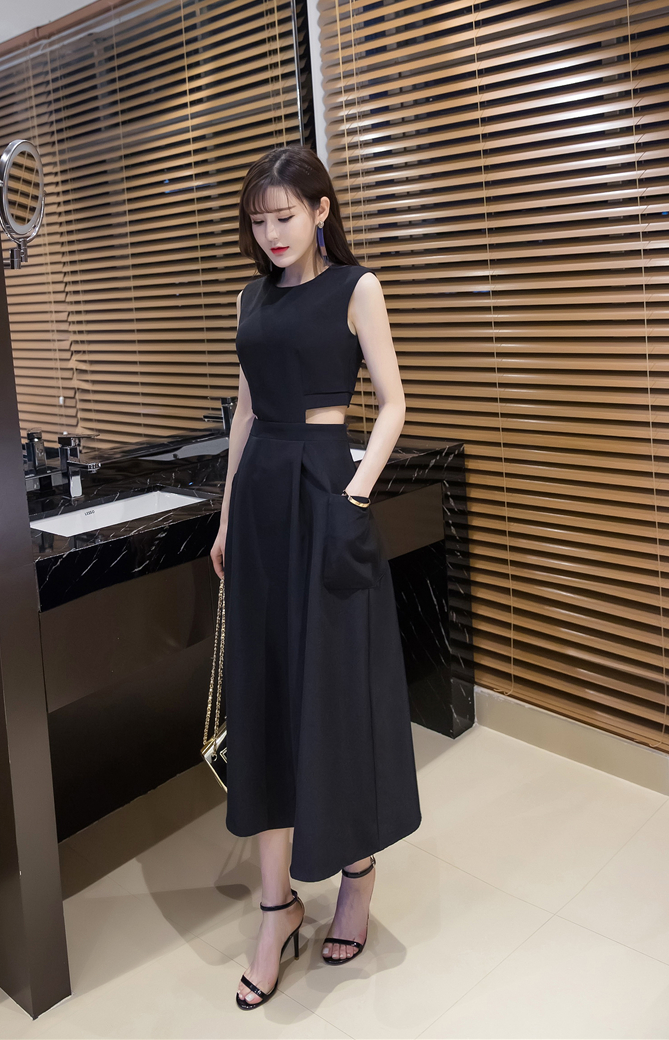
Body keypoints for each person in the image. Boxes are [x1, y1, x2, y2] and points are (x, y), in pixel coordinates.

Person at [210, 145, 422, 1010]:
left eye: (284, 216)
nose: (271, 233)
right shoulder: (248, 299)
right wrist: (226, 517)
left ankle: (357, 875)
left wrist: (356, 491)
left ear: (321, 211)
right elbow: (245, 412)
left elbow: (394, 401)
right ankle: (277, 909)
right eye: (258, 220)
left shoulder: (356, 288)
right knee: (264, 696)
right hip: (262, 497)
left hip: (326, 487)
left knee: (334, 690)